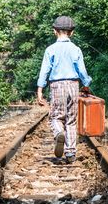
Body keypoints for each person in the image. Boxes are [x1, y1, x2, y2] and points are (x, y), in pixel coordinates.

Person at [36, 16, 92, 163]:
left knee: (55, 117)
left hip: (57, 85)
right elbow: (82, 70)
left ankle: (59, 133)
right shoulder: (76, 49)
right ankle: (70, 153)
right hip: (73, 84)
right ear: (71, 32)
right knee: (71, 120)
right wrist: (86, 84)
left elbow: (44, 70)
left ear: (54, 31)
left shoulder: (50, 49)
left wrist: (40, 89)